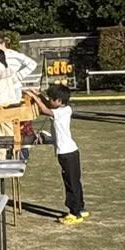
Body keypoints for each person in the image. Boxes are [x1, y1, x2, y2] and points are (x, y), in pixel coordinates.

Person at [29, 84, 86, 223]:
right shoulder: (60, 108)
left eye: (52, 99)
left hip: (67, 153)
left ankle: (74, 213)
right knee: (75, 181)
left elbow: (45, 110)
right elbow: (48, 105)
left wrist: (35, 98)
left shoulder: (64, 111)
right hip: (70, 152)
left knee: (71, 183)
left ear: (60, 101)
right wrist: (37, 94)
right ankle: (81, 208)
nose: (50, 100)